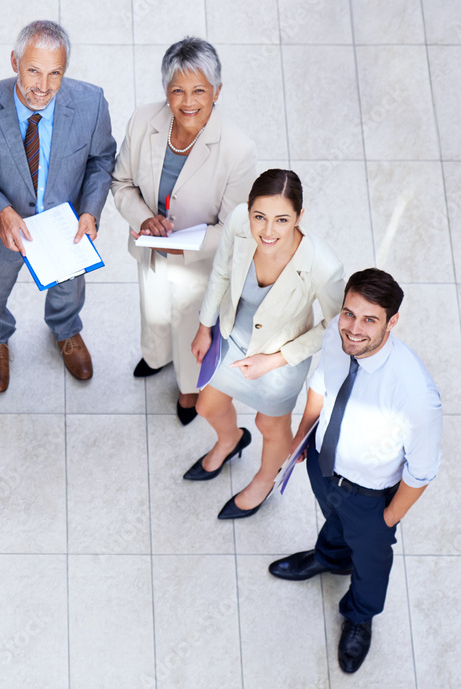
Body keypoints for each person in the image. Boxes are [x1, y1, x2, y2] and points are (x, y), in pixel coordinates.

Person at [268, 268, 442, 674]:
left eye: (369, 320)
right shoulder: (338, 334)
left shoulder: (416, 395)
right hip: (323, 466)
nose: (354, 328)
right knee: (335, 523)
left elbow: (422, 471)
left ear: (391, 322)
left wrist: (386, 520)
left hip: (370, 496)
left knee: (371, 560)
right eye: (349, 313)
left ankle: (360, 615)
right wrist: (299, 444)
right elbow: (321, 385)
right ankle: (330, 558)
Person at [0, 20, 116, 392]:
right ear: (14, 61)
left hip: (66, 225)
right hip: (3, 229)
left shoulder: (92, 103)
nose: (42, 87)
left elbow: (101, 160)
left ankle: (65, 330)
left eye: (54, 73)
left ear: (65, 71)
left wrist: (90, 211)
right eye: (33, 71)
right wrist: (0, 209)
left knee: (69, 289)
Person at [111, 36, 257, 424]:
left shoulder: (238, 150)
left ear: (217, 92)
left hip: (201, 265)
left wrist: (186, 250)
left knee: (192, 326)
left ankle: (189, 390)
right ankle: (157, 359)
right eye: (177, 90)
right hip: (150, 247)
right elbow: (121, 183)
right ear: (166, 91)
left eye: (199, 91)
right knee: (154, 312)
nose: (188, 101)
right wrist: (144, 218)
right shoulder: (144, 121)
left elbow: (234, 227)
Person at [187, 169, 344, 519]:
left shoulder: (323, 264)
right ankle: (230, 441)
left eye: (282, 220)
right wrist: (204, 327)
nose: (268, 231)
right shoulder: (237, 223)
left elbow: (335, 328)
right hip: (232, 337)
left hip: (281, 358)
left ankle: (264, 479)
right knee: (206, 407)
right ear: (248, 210)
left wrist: (273, 360)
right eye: (259, 217)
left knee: (269, 426)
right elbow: (222, 272)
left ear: (300, 217)